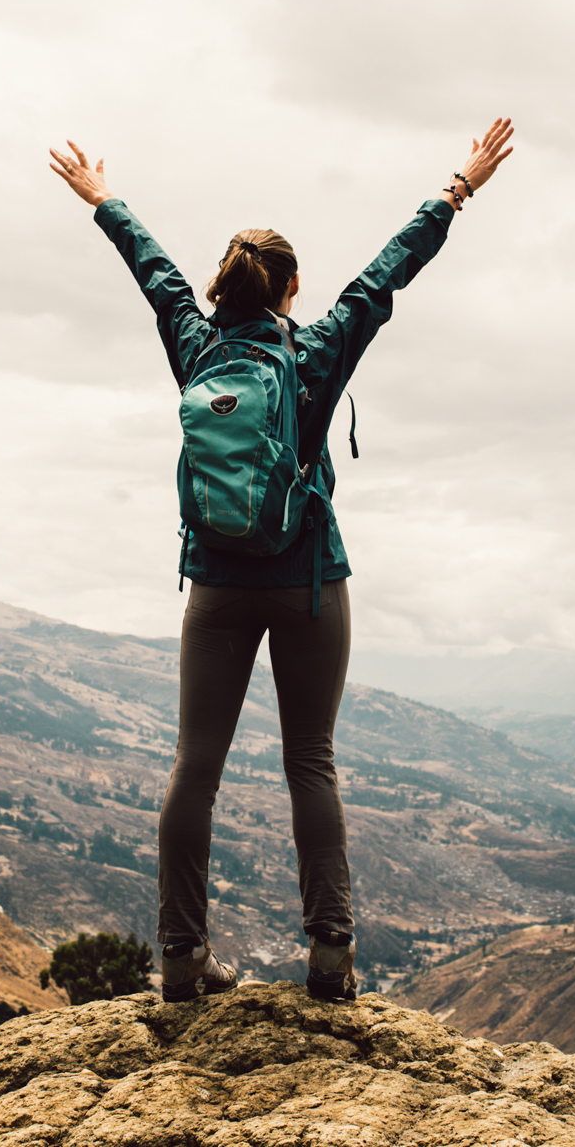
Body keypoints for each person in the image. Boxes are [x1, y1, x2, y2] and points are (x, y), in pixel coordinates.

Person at [48, 119, 516, 1003]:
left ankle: (181, 961)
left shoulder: (194, 344)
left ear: (222, 285)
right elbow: (388, 271)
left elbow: (153, 272)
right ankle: (330, 957)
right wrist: (458, 187)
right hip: (308, 581)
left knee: (195, 765)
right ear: (292, 288)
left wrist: (104, 199)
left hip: (217, 584)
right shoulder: (313, 352)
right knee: (310, 759)